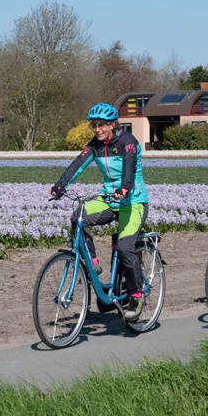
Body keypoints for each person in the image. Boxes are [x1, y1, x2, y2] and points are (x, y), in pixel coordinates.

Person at [49, 103, 149, 322]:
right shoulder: (95, 146)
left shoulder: (128, 143)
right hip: (108, 199)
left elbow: (130, 168)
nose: (97, 129)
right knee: (78, 217)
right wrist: (60, 185)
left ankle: (136, 295)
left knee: (124, 247)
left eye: (101, 125)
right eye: (94, 125)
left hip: (132, 202)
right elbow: (77, 164)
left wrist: (125, 188)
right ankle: (93, 262)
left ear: (112, 125)